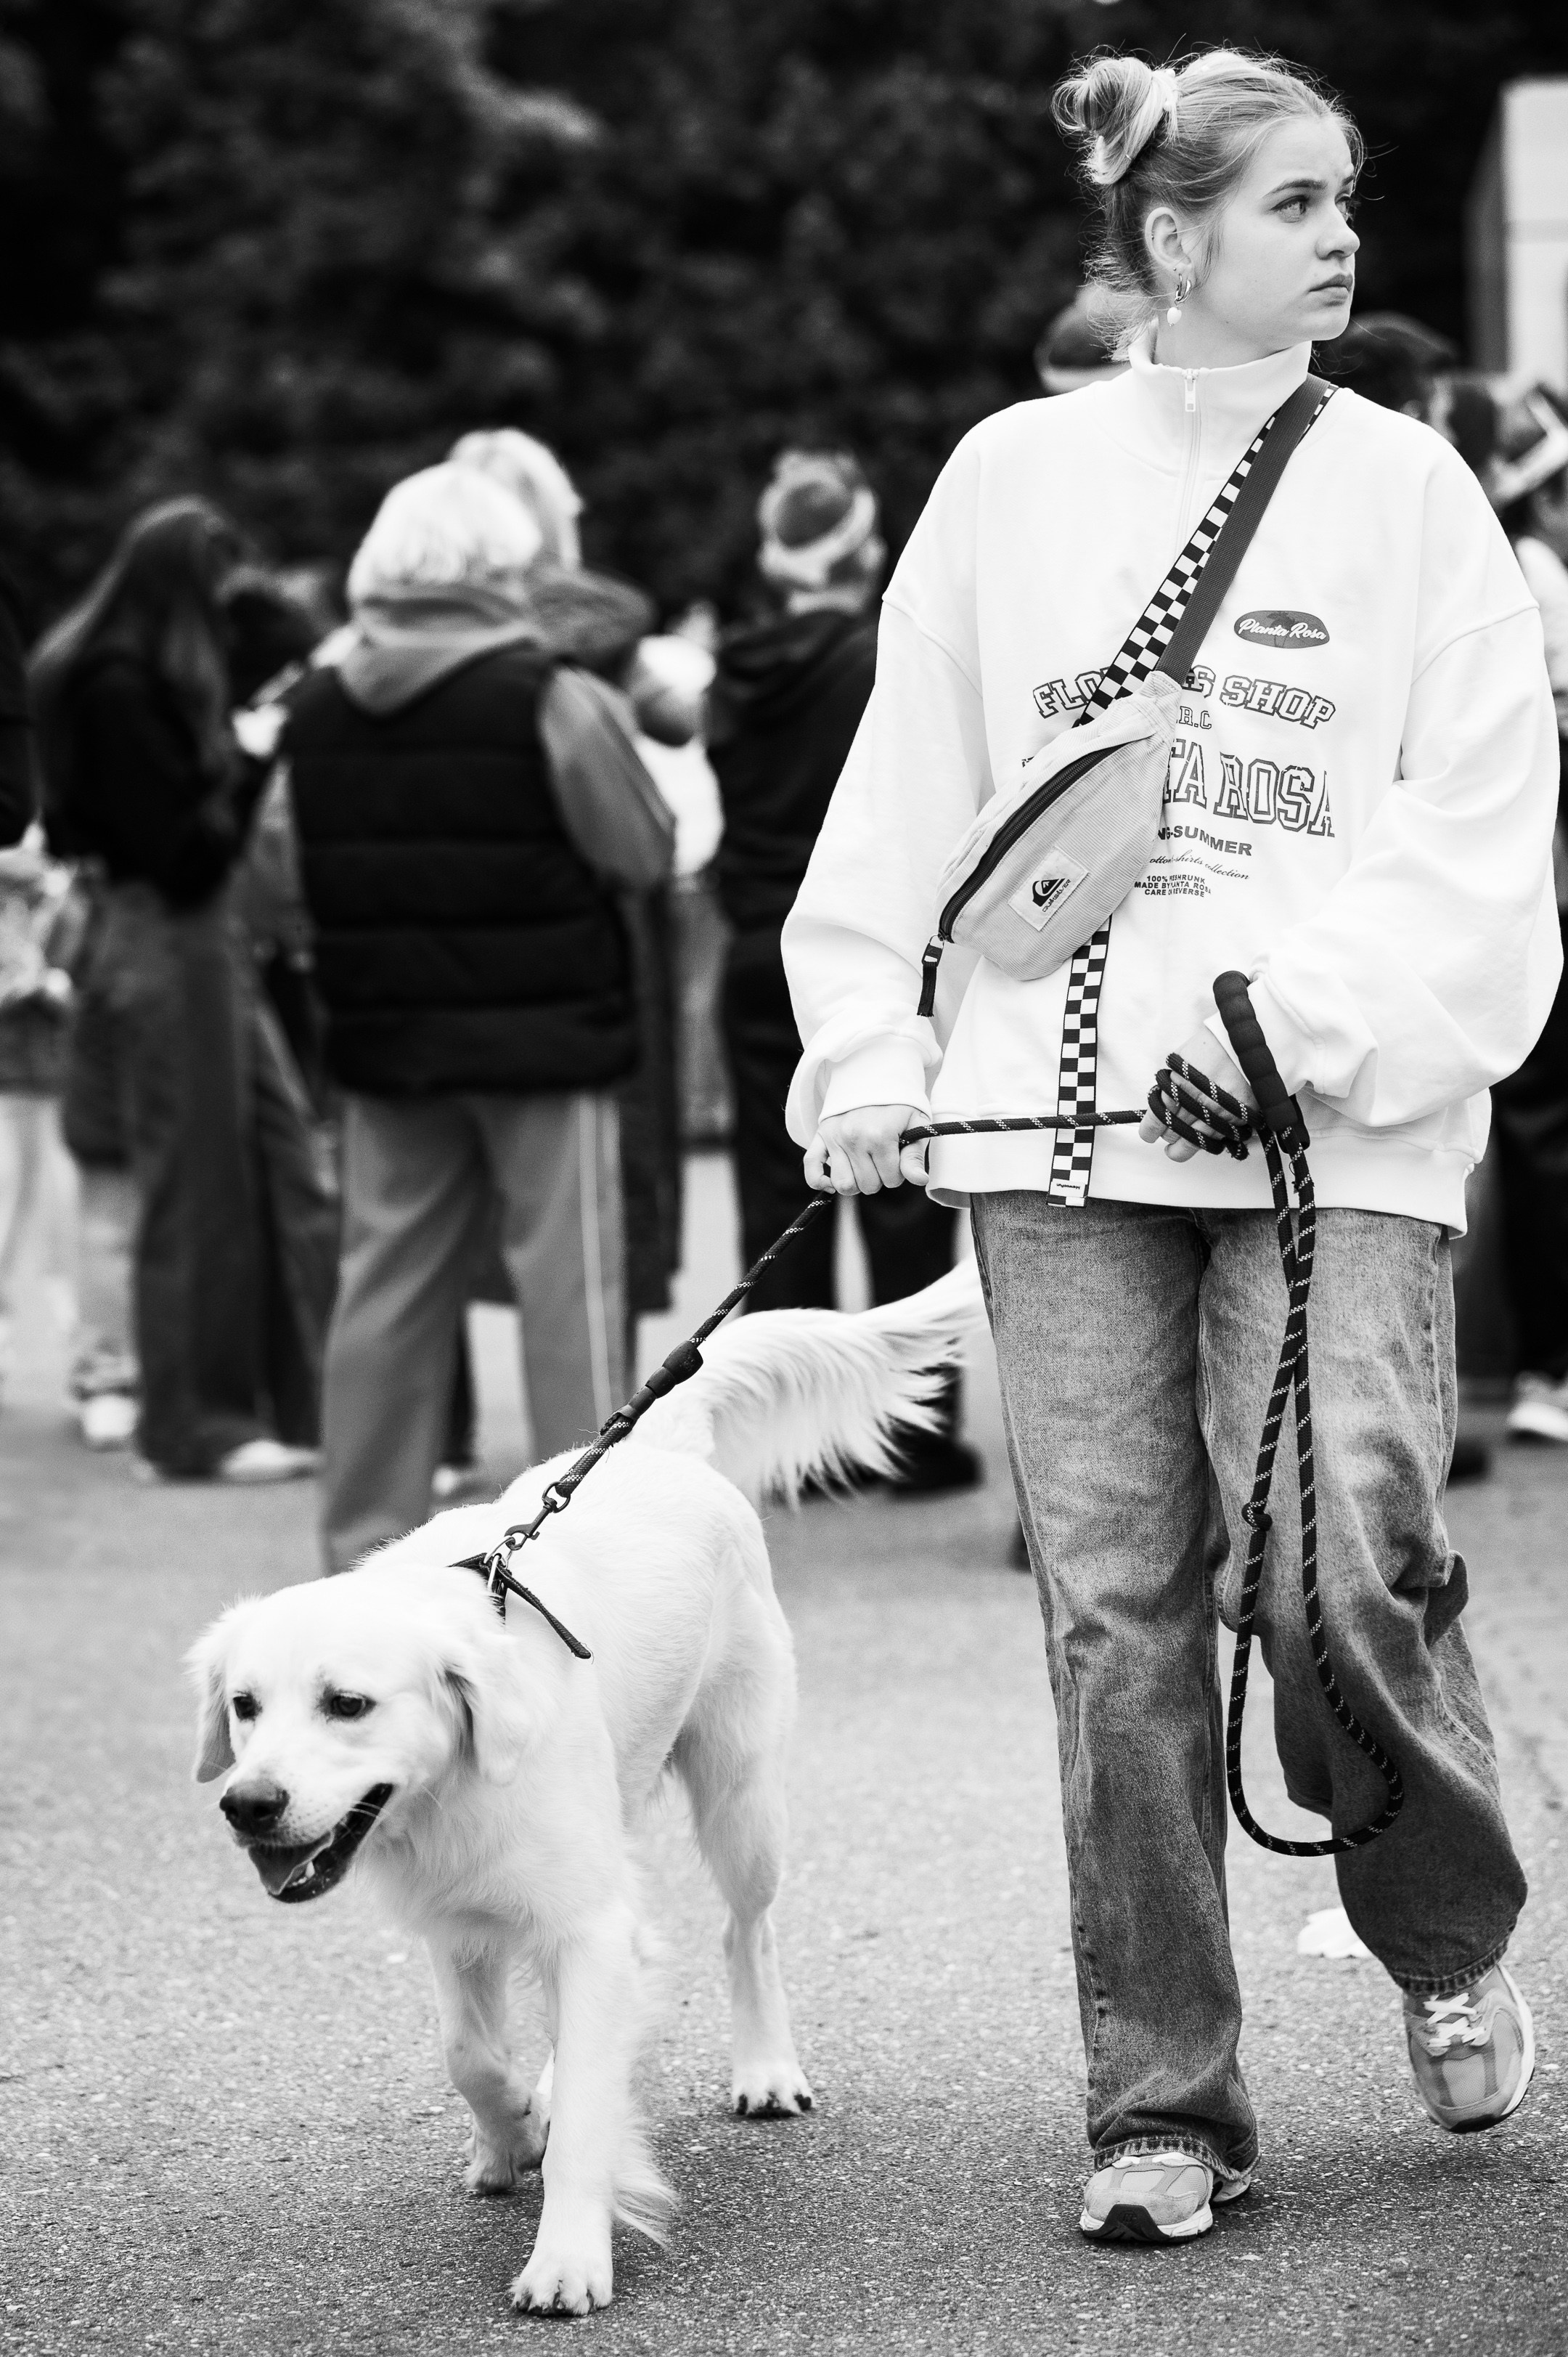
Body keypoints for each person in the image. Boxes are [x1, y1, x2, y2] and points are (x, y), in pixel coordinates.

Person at [781, 46, 1557, 2243]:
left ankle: (1440, 1930)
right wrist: (863, 1038)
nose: (1341, 238)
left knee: (1331, 1572)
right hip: (1048, 1131)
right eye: (1296, 203)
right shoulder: (1007, 480)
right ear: (1169, 237)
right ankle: (1165, 2096)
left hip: (1345, 1133)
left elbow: (1485, 826)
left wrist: (1301, 1026)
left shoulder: (1413, 490)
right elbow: (913, 785)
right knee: (1115, 1617)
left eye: (1348, 199)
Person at [285, 463, 673, 1571]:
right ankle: (582, 1551)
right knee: (571, 1298)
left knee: (387, 1289)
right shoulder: (549, 695)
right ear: (503, 569)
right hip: (549, 1040)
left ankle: (362, 1556)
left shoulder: (315, 707)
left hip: (385, 1038)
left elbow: (276, 874)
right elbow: (640, 848)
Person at [30, 500, 330, 1483]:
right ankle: (194, 1423)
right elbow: (189, 853)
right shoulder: (122, 689)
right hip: (169, 938)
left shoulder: (104, 673)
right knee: (193, 1184)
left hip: (170, 937)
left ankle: (287, 1398)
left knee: (278, 1163)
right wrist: (250, 755)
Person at [709, 449, 980, 1491]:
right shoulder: (871, 660)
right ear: (864, 545)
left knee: (776, 1193)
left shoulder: (733, 667)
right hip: (868, 941)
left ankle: (789, 1446)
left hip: (753, 945)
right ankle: (913, 1438)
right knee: (904, 1180)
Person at [1485, 390, 1568, 1442]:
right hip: (1540, 889)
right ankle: (1553, 1361)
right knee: (1545, 1127)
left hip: (1535, 887)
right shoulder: (1534, 584)